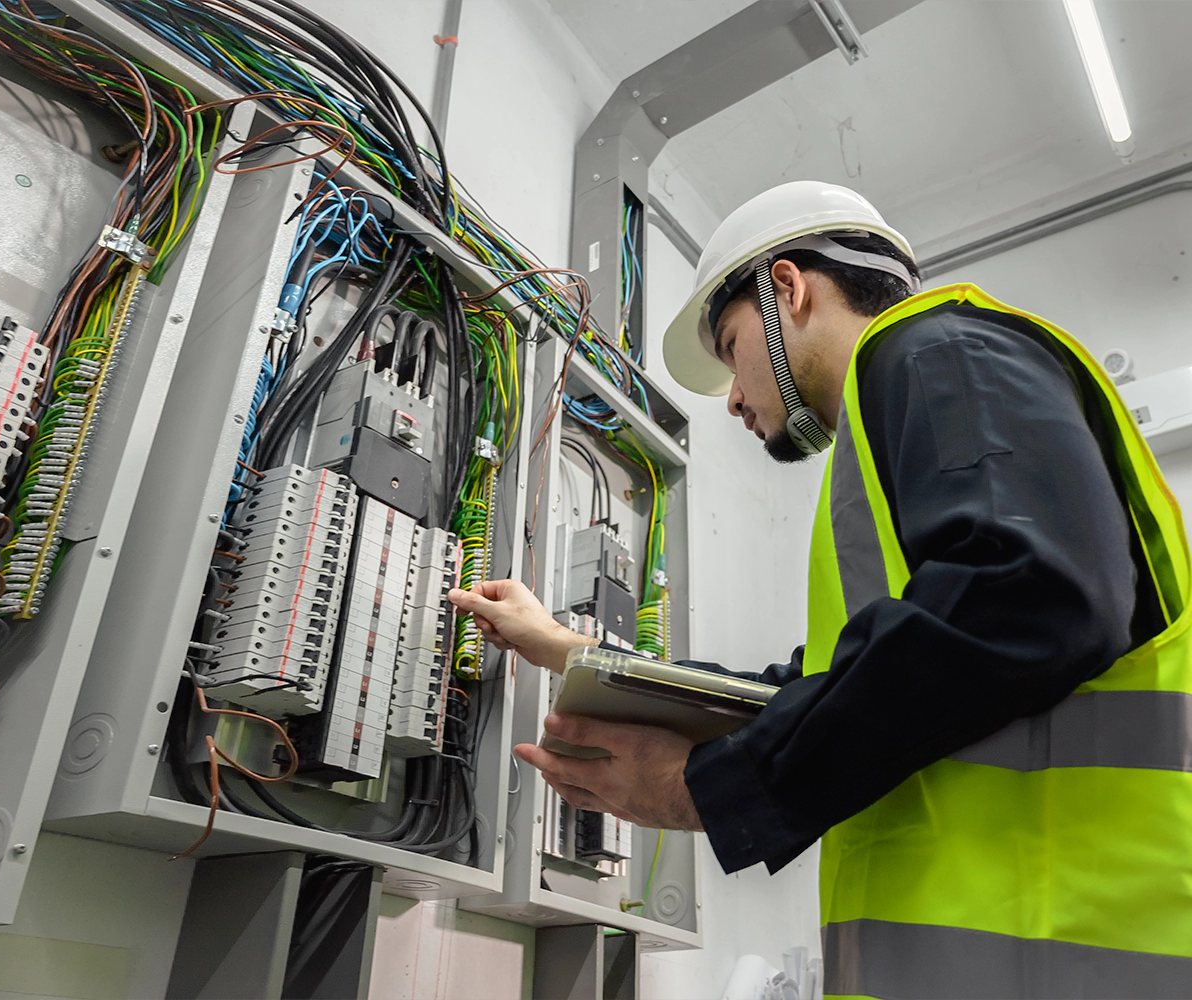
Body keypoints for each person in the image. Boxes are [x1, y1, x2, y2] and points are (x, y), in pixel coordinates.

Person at [449, 181, 1192, 998]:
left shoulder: (943, 352)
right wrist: (570, 650)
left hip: (1078, 948)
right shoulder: (891, 432)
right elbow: (828, 689)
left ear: (788, 289)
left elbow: (1030, 594)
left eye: (731, 350)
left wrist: (713, 788)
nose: (732, 396)